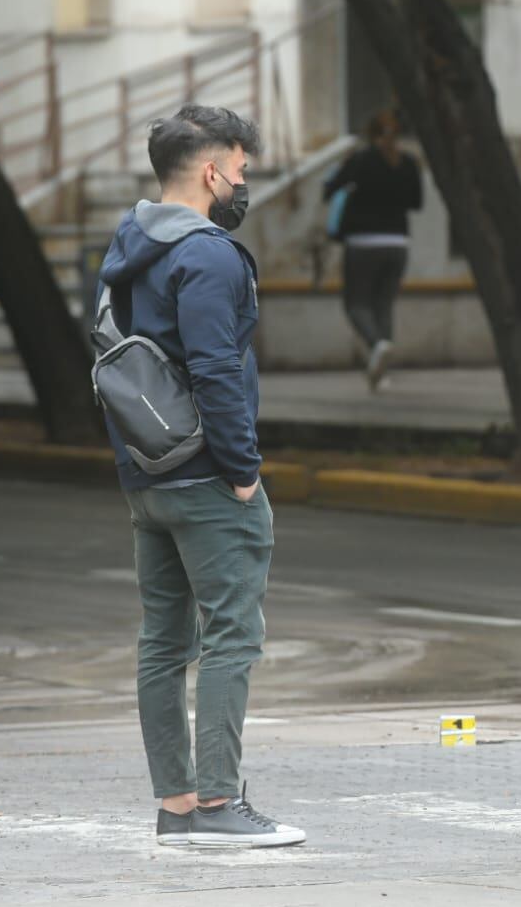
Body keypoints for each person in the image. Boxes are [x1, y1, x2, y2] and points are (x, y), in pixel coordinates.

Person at [98, 105, 304, 848]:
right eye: (242, 171)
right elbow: (215, 368)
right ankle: (219, 803)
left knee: (162, 642)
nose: (244, 185)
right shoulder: (208, 255)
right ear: (213, 171)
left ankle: (178, 806)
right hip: (207, 476)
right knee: (230, 638)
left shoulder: (128, 242)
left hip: (144, 473)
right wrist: (242, 471)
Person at [323, 109, 424, 391]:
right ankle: (381, 375)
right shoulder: (408, 163)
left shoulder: (361, 160)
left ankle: (377, 344)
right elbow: (417, 203)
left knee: (355, 304)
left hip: (363, 243)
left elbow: (330, 189)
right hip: (398, 243)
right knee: (383, 305)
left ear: (370, 135)